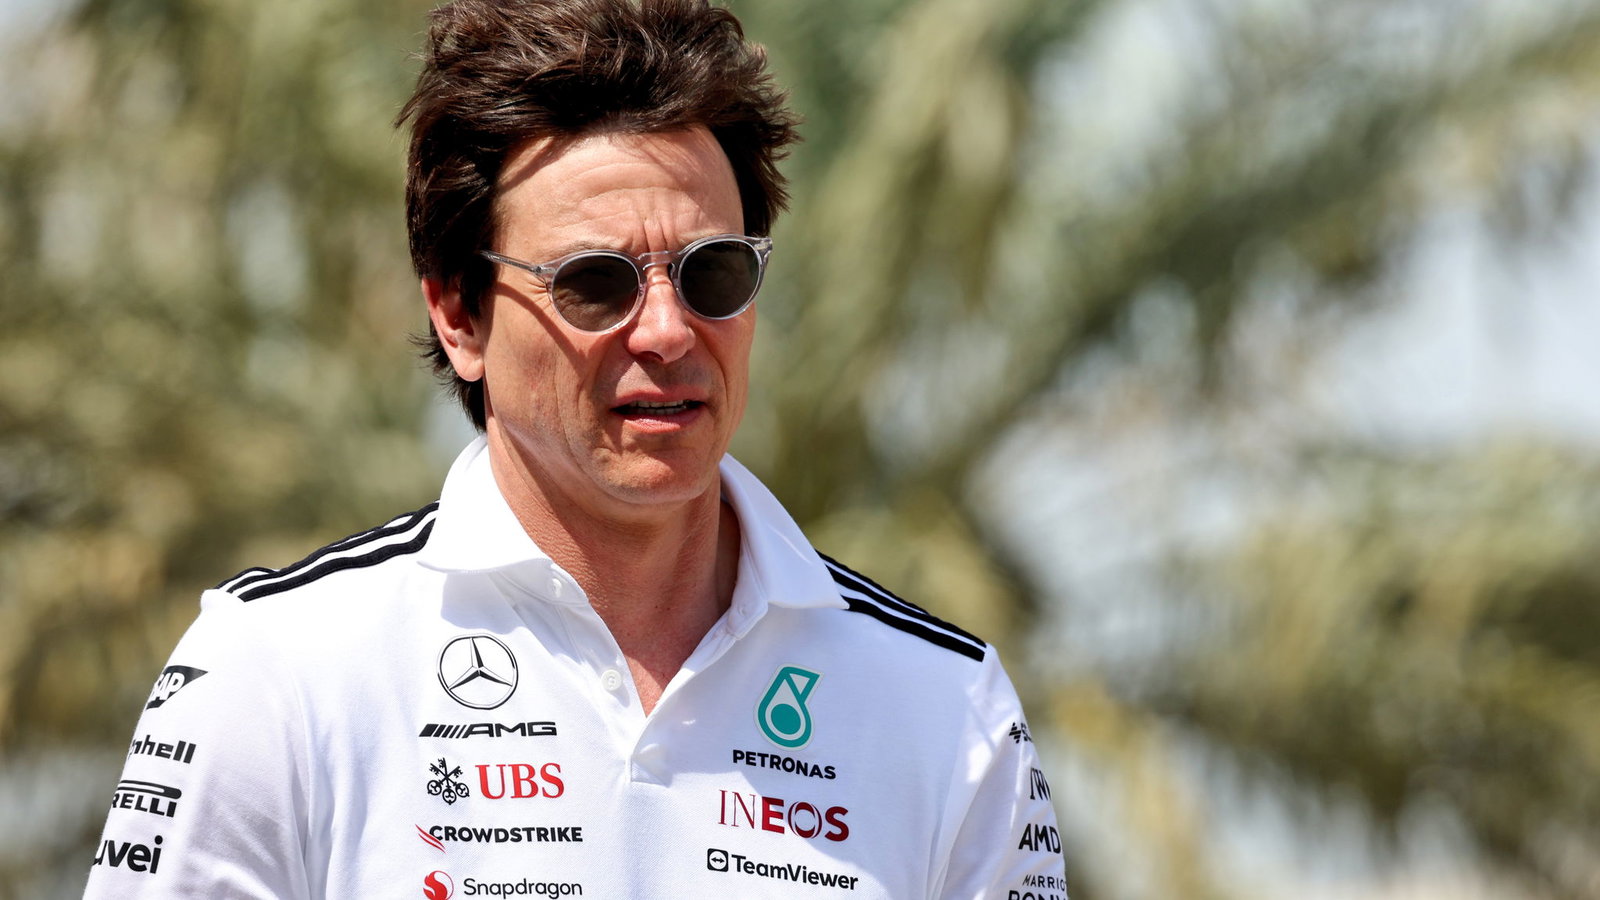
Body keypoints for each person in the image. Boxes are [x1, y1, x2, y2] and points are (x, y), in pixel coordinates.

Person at [85, 0, 1067, 897]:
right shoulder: (278, 670)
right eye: (595, 282)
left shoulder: (946, 709)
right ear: (459, 315)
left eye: (713, 273)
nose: (668, 331)